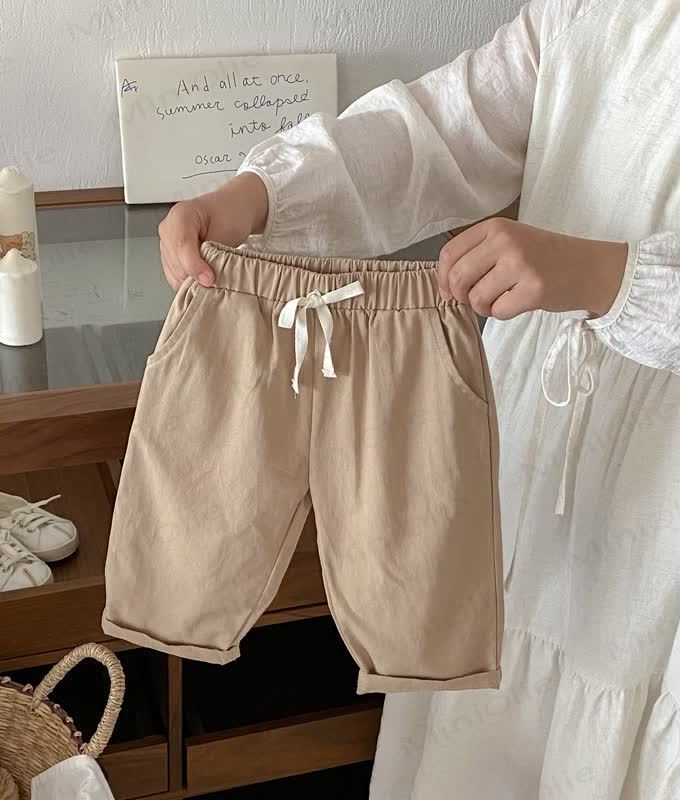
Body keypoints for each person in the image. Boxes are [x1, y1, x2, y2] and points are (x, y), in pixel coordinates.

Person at [158, 0, 680, 796]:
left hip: (661, 500)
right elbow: (438, 129)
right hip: (533, 420)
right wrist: (262, 192)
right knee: (488, 702)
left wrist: (607, 275)